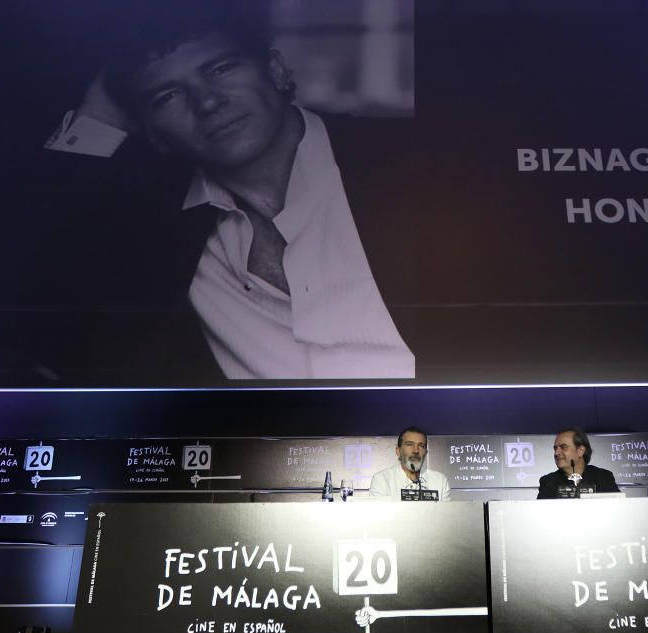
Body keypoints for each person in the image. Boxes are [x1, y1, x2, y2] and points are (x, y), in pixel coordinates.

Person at [44, 3, 414, 381]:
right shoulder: (152, 234)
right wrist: (98, 109)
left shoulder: (405, 163)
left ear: (276, 70)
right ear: (152, 133)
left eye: (221, 69)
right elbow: (36, 275)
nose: (207, 102)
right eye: (167, 95)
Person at [369, 427, 452, 501]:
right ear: (398, 451)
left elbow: (446, 516)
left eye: (421, 446)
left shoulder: (440, 481)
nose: (416, 450)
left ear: (426, 453)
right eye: (409, 444)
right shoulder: (382, 480)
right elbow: (381, 516)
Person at [537, 428, 619, 499]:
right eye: (555, 448)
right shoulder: (548, 482)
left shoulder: (603, 478)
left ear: (580, 451)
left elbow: (619, 509)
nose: (556, 453)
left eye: (563, 447)